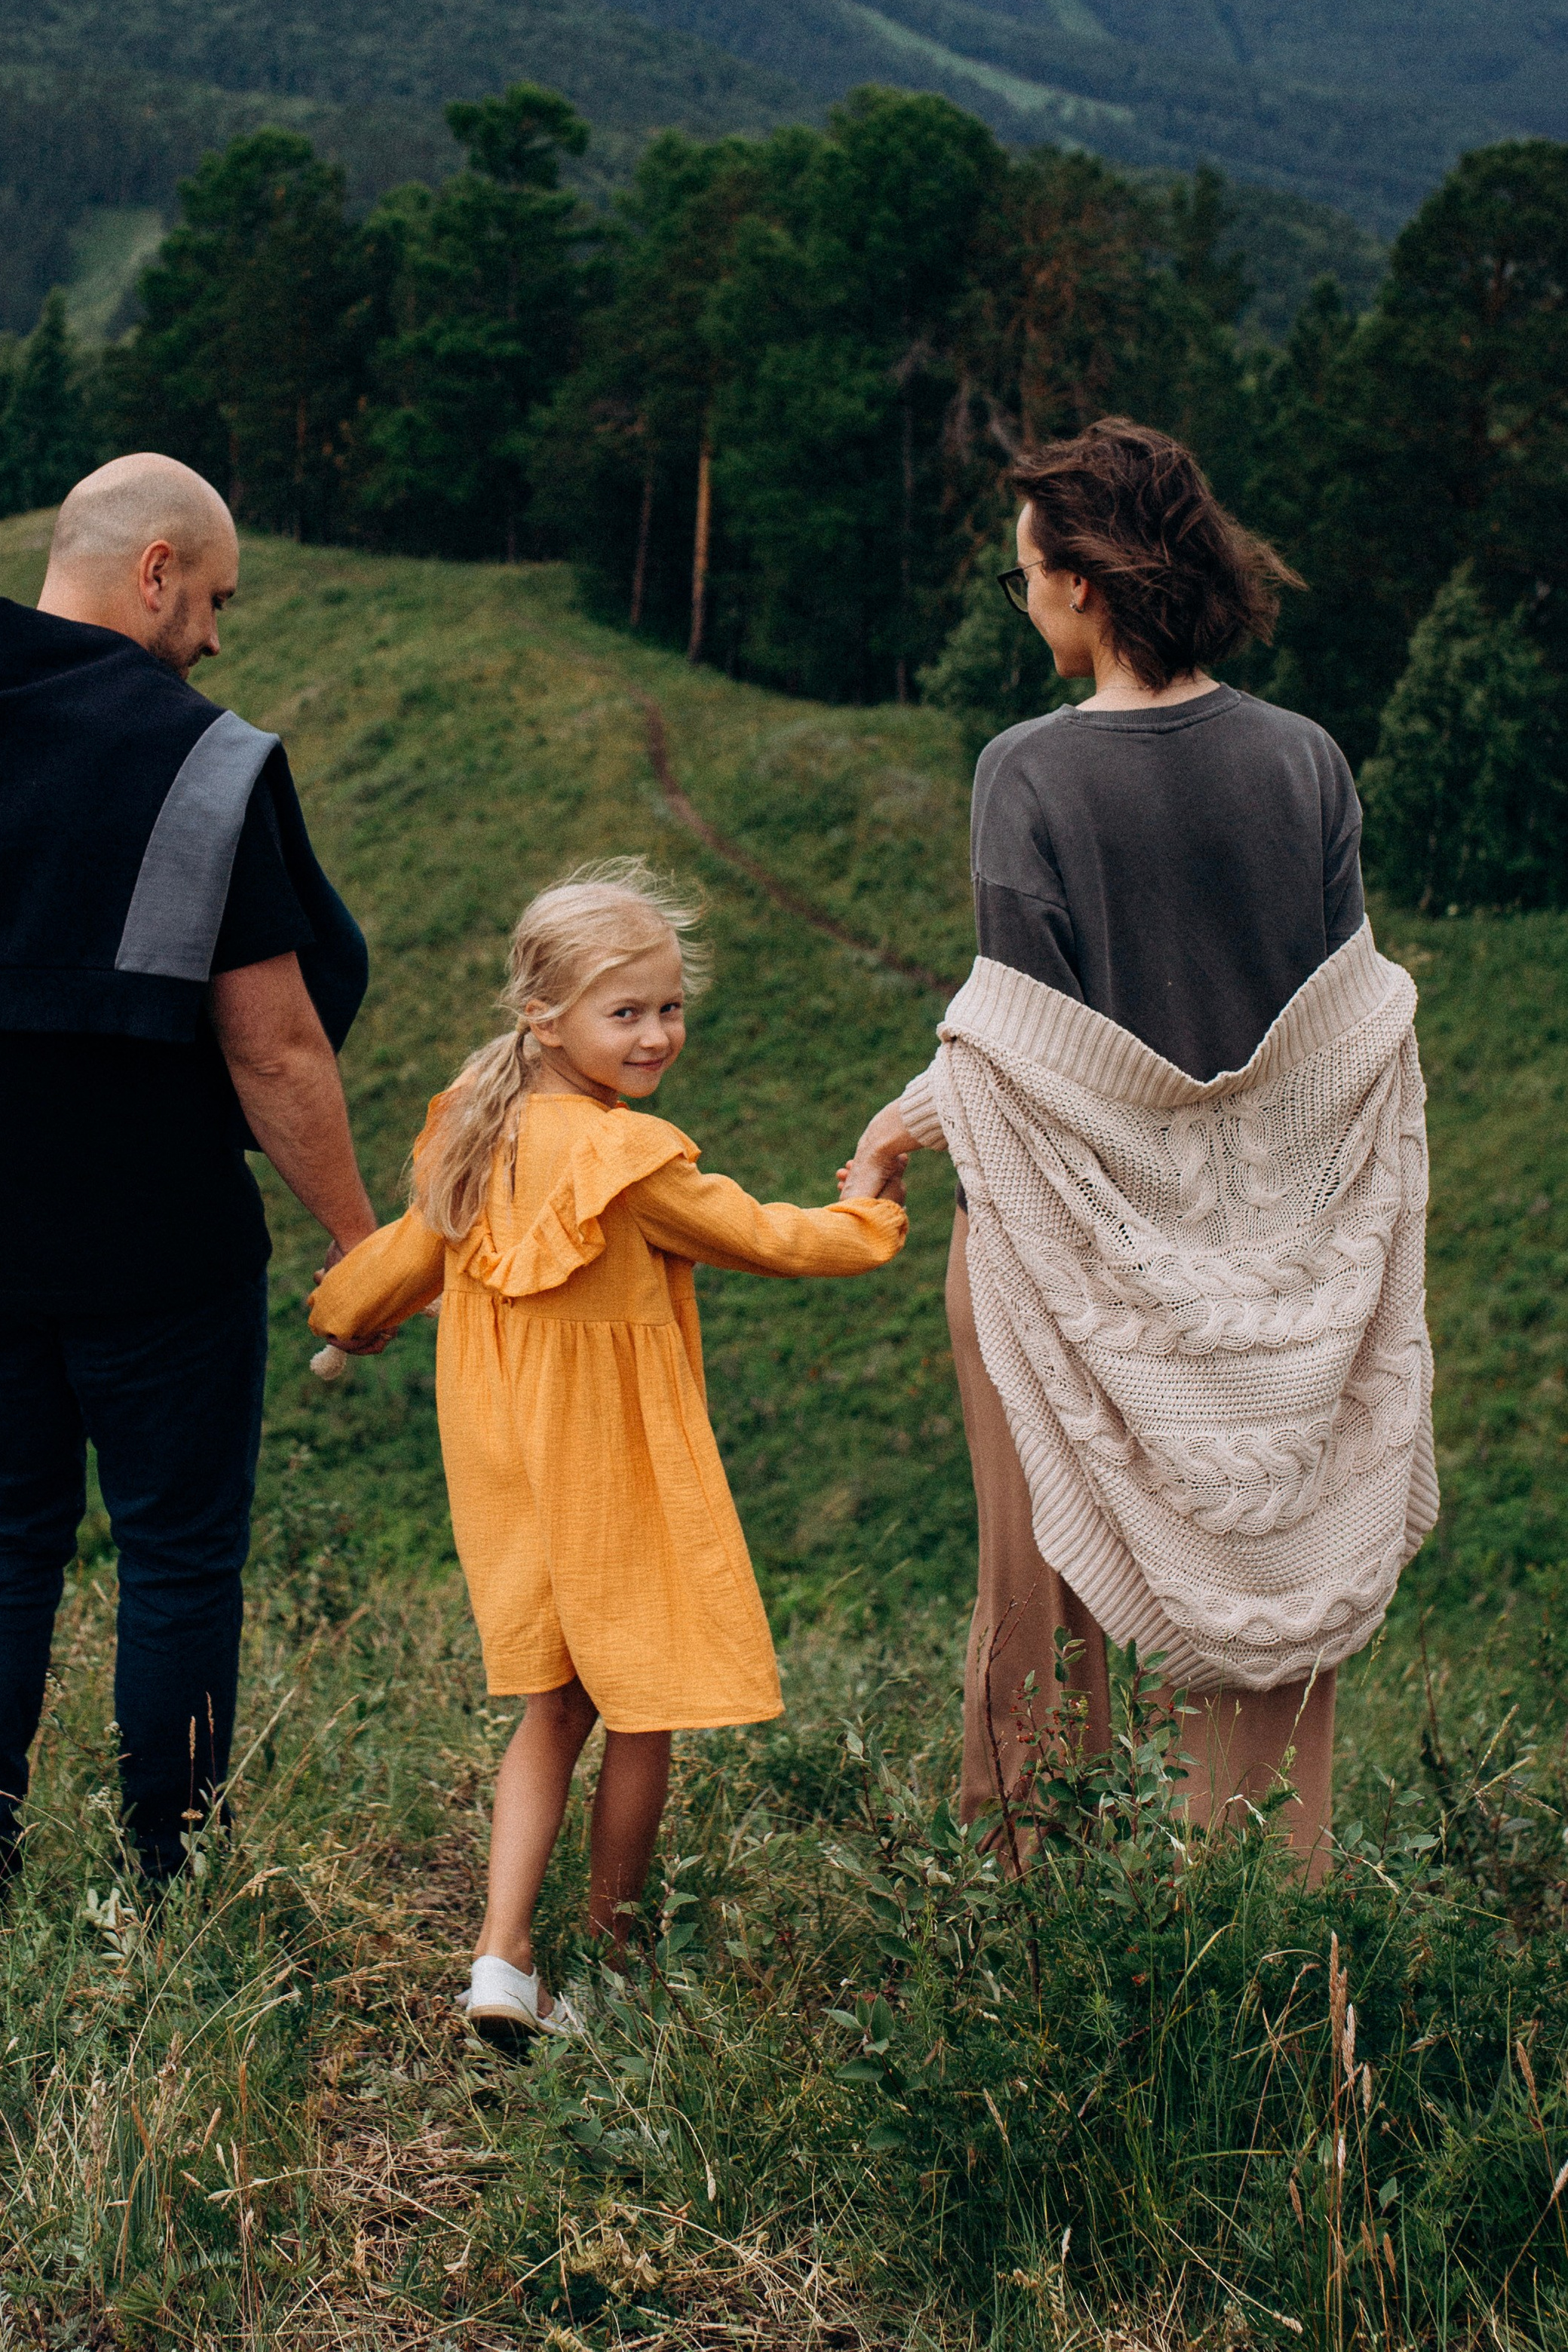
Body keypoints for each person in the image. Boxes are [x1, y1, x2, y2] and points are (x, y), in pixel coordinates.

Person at [0, 454, 378, 1959]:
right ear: (156, 567)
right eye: (213, 600)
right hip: (160, 1245)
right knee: (176, 1551)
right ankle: (173, 1876)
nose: (213, 638)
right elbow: (273, 1043)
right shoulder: (198, 762)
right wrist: (357, 1240)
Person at [853, 421, 1435, 1873]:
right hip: (1270, 1271)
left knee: (1037, 1599)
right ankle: (1259, 1934)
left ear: (1088, 588)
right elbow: (1338, 1045)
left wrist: (915, 1112)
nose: (1027, 598)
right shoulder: (1304, 760)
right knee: (1269, 1590)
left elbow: (1035, 1063)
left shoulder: (1029, 777)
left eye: (1028, 575)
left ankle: (1034, 1951)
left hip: (1058, 1260)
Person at [310, 859, 907, 2044]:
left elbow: (400, 1257)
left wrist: (348, 1319)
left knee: (551, 1708)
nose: (656, 1036)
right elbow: (769, 1239)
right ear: (546, 1014)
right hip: (609, 1469)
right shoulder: (622, 1162)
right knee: (642, 1709)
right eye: (626, 1012)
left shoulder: (474, 1129)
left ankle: (501, 1955)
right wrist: (873, 1206)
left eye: (670, 1008)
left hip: (506, 1468)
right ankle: (611, 1976)